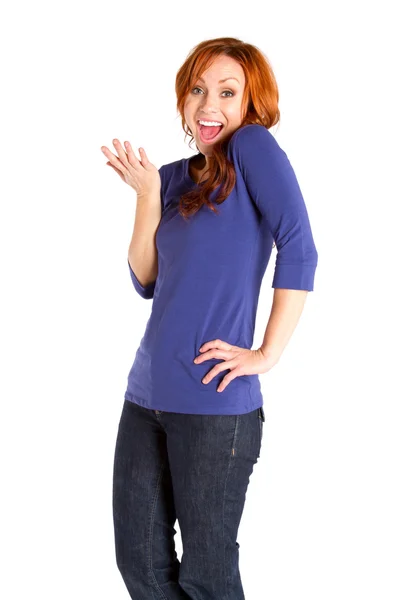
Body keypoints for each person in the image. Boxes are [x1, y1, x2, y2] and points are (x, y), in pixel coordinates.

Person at [101, 36, 318, 600]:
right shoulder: (173, 178)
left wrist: (266, 354)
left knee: (207, 575)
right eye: (197, 89)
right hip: (144, 396)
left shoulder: (252, 148)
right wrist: (147, 195)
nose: (207, 106)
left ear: (251, 103)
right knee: (141, 568)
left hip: (215, 408)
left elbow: (300, 246)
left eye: (227, 91)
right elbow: (145, 281)